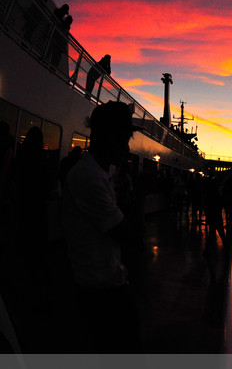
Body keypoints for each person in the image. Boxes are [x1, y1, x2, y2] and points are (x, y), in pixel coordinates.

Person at [63, 101, 143, 353]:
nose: (127, 147)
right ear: (110, 137)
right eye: (125, 138)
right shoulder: (90, 178)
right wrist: (141, 195)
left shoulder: (99, 174)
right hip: (100, 293)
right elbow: (127, 235)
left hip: (105, 286)